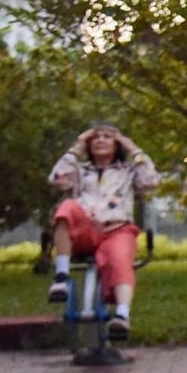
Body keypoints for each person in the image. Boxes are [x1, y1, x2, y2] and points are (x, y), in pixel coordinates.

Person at [47, 124, 159, 340]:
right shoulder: (81, 170)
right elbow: (58, 179)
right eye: (95, 137)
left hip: (117, 229)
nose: (100, 140)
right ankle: (61, 278)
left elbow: (150, 181)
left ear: (117, 144)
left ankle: (122, 317)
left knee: (119, 259)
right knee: (67, 207)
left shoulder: (127, 171)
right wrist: (77, 147)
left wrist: (132, 147)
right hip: (86, 229)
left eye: (107, 137)